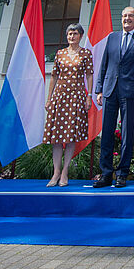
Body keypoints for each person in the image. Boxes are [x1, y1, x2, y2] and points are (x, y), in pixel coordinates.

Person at [93, 6, 134, 188]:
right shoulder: (112, 37)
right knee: (107, 132)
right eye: (124, 15)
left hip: (130, 92)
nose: (127, 18)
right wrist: (99, 89)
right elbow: (104, 64)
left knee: (127, 133)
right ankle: (105, 173)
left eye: (130, 16)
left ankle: (122, 174)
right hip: (109, 90)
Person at [43, 23, 94, 187]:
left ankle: (65, 171)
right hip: (60, 96)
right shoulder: (60, 53)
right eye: (69, 34)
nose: (72, 37)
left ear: (81, 36)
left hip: (77, 96)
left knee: (71, 135)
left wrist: (89, 96)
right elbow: (54, 76)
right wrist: (49, 98)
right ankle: (56, 172)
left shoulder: (86, 53)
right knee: (56, 137)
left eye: (75, 33)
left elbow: (89, 75)